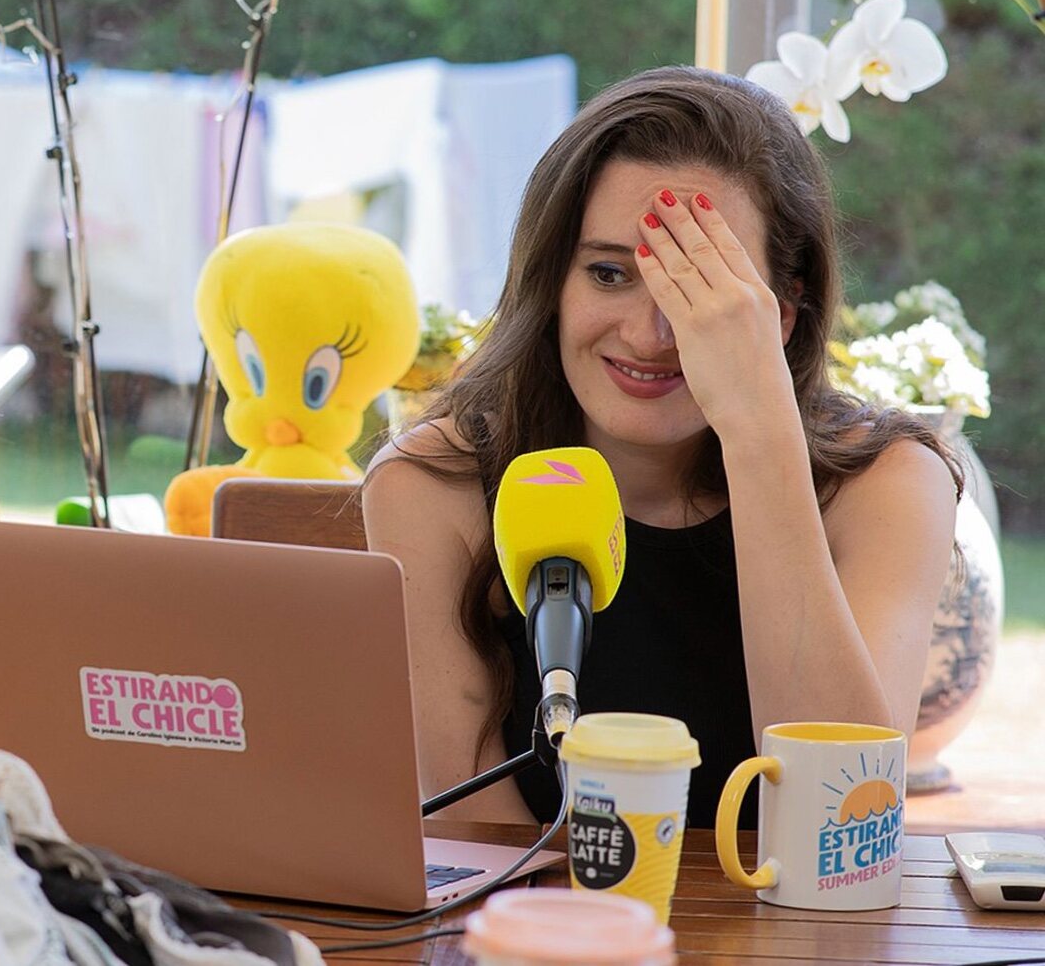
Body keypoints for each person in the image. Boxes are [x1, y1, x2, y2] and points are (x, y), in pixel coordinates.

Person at [363, 66, 962, 828]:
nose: (650, 334)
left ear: (784, 310)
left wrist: (758, 434)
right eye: (609, 273)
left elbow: (839, 823)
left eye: (702, 286)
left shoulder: (888, 483)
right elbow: (473, 841)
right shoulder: (432, 484)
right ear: (552, 284)